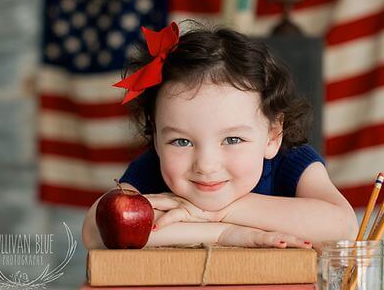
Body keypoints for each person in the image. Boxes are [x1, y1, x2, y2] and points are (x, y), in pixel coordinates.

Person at [82, 20, 358, 250]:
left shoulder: (291, 159)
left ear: (273, 135)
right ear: (156, 138)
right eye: (182, 141)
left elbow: (343, 227)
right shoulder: (153, 167)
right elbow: (97, 233)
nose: (206, 165)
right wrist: (222, 233)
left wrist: (216, 212)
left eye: (232, 139)